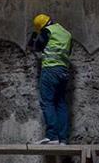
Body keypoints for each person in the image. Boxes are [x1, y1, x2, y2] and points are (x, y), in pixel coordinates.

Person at [27, 13, 73, 145]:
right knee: (61, 104)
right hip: (64, 71)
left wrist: (34, 37)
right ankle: (63, 139)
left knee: (47, 102)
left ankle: (52, 136)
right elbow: (68, 52)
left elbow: (36, 48)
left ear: (41, 27)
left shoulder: (47, 31)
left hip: (50, 70)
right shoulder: (66, 33)